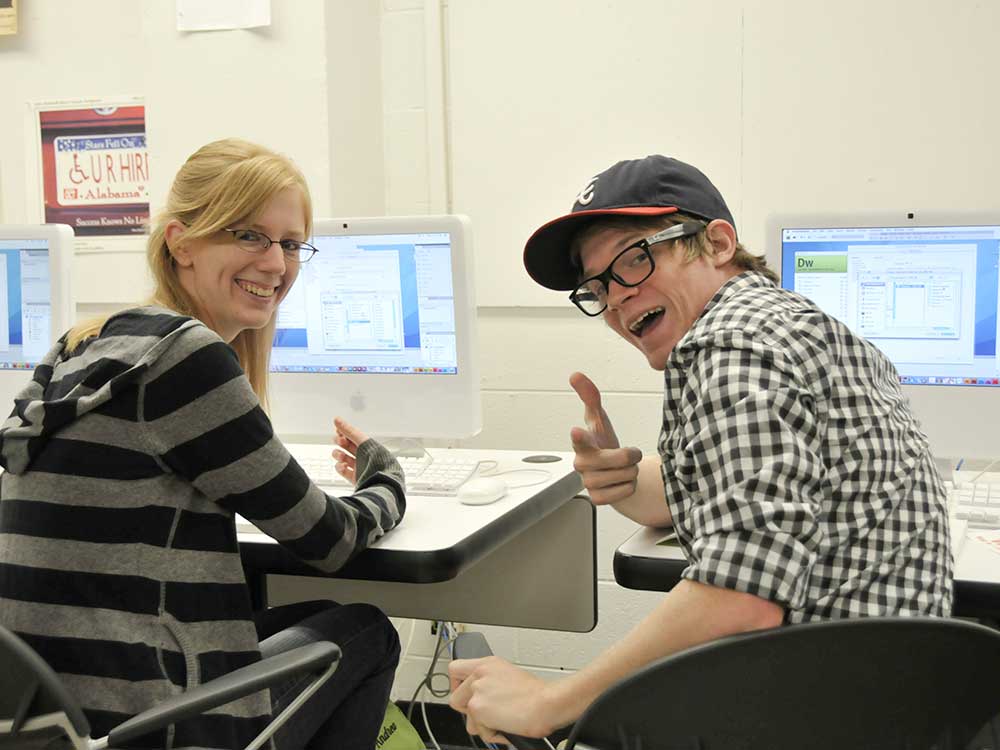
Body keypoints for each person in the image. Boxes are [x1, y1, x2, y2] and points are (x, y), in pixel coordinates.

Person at [449, 154, 953, 742]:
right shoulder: (798, 327)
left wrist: (552, 702)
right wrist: (628, 483)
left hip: (814, 714)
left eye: (635, 259)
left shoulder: (729, 344)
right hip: (894, 703)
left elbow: (743, 595)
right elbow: (759, 496)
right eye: (597, 286)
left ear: (716, 243)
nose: (614, 300)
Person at [0, 138, 405, 750]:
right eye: (248, 235)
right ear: (180, 243)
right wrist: (386, 480)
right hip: (148, 726)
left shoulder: (82, 344)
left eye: (291, 244)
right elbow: (331, 540)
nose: (275, 263)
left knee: (288, 616)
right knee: (367, 633)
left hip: (53, 718)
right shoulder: (184, 357)